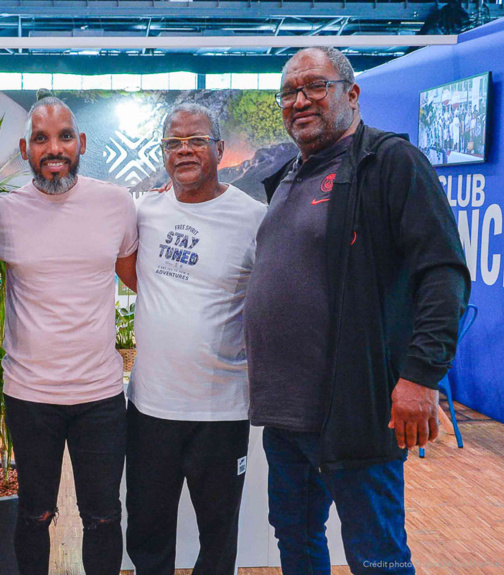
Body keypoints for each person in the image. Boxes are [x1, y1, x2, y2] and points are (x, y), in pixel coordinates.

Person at [245, 47, 470, 574]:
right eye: (289, 91)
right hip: (286, 419)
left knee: (376, 556)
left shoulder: (389, 162)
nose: (299, 100)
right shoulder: (289, 176)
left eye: (314, 86)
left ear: (351, 93)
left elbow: (443, 273)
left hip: (354, 412)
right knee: (297, 543)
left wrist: (420, 376)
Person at [0, 92, 138, 575]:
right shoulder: (5, 211)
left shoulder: (116, 204)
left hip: (100, 396)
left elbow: (137, 276)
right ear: (26, 147)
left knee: (102, 516)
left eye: (64, 137)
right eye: (41, 138)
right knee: (34, 514)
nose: (54, 148)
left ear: (82, 143)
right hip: (30, 395)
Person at [124, 102, 267, 575]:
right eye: (173, 142)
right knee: (147, 533)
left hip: (222, 413)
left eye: (196, 140)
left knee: (219, 536)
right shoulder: (144, 211)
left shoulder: (253, 218)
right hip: (150, 410)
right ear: (163, 153)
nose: (184, 150)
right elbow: (134, 275)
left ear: (220, 149)